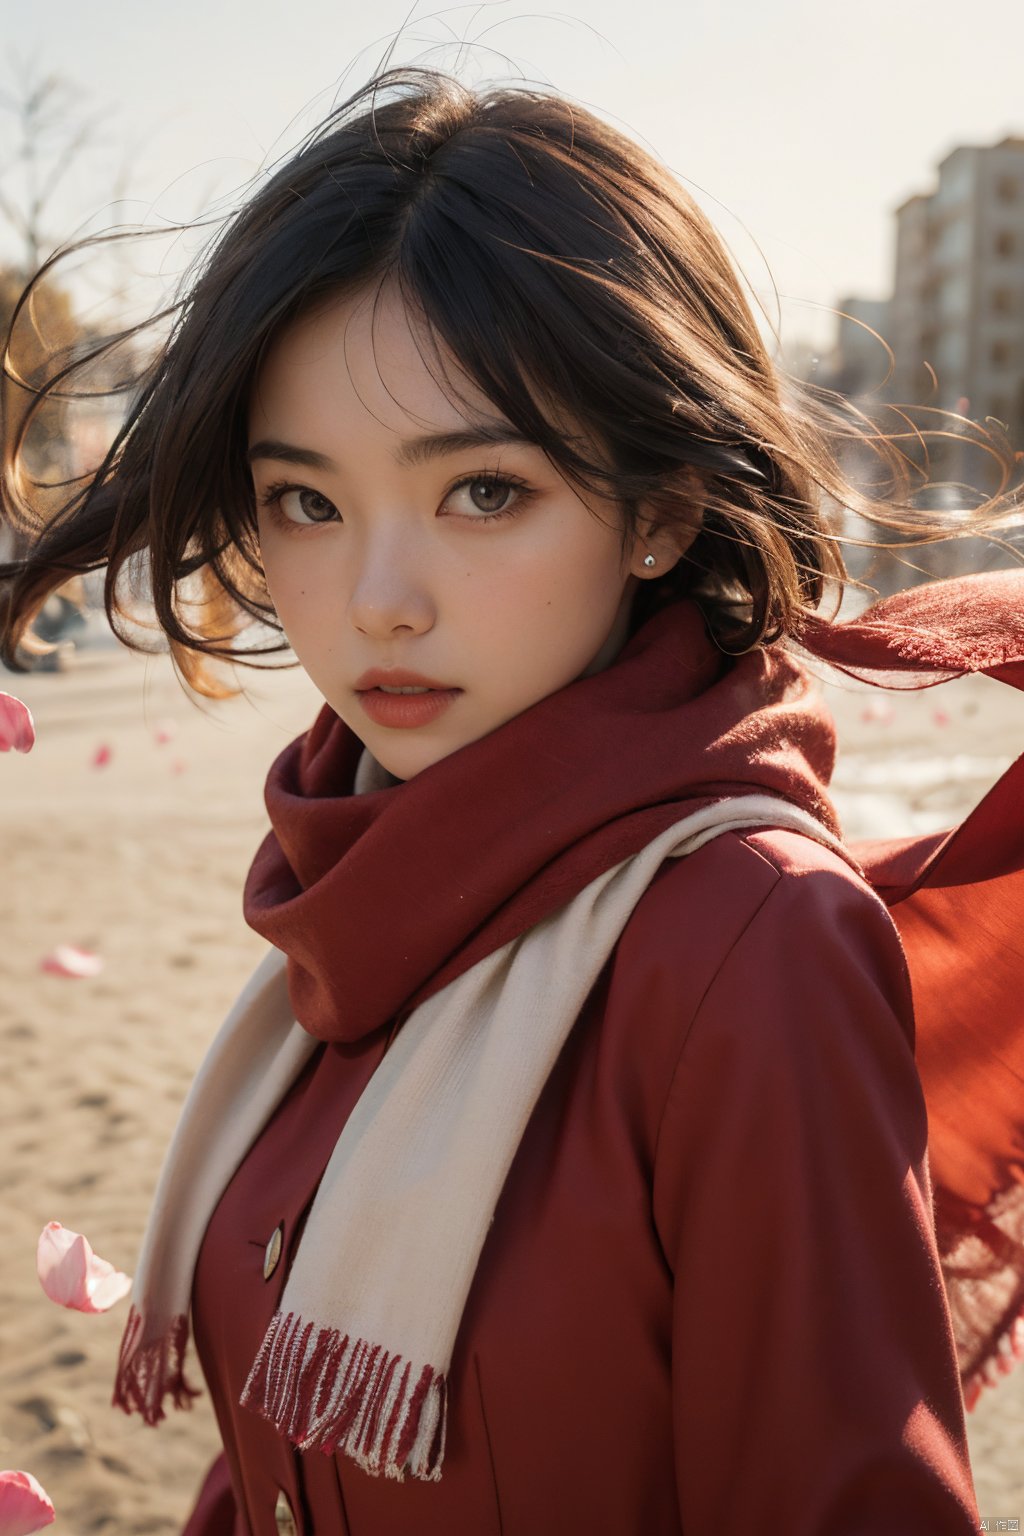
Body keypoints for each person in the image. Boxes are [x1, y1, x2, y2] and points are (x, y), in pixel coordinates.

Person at [2, 63, 1024, 1536]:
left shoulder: (748, 951)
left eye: (483, 491)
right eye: (307, 501)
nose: (378, 603)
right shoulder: (352, 898)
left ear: (660, 508)